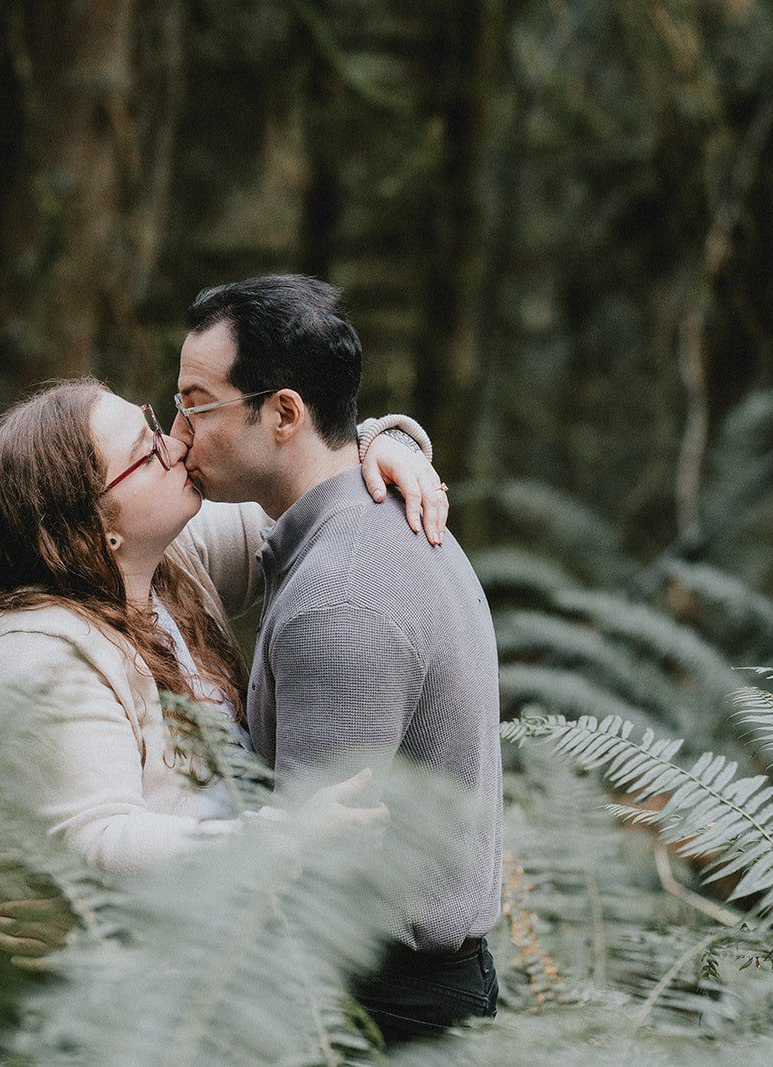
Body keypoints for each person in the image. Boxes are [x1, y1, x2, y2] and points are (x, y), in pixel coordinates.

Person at [0, 378, 446, 1065]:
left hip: (116, 967)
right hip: (16, 998)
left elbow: (312, 495)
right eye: (147, 447)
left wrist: (384, 442)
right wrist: (284, 839)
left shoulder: (167, 562)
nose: (176, 442)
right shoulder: (37, 650)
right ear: (96, 522)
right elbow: (98, 842)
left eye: (149, 420)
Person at [171, 274, 502, 1045]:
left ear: (284, 412)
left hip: (379, 1011)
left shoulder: (338, 593)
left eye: (196, 402)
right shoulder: (362, 518)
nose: (177, 431)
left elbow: (315, 890)